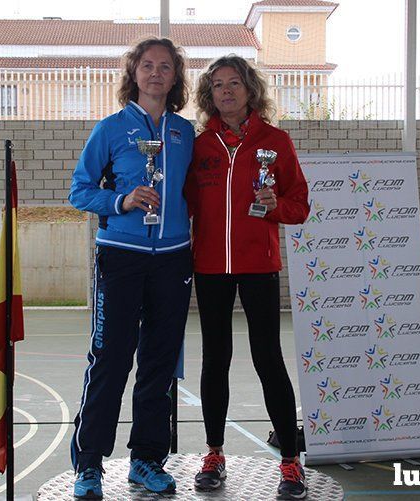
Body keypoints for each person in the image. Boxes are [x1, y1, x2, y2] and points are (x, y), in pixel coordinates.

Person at [68, 37, 195, 499]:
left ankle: (145, 460)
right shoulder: (110, 129)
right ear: (134, 73)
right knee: (111, 359)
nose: (156, 73)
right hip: (121, 258)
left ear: (176, 76)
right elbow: (79, 191)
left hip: (174, 260)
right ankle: (89, 464)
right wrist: (121, 200)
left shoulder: (186, 133)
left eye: (165, 66)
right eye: (147, 65)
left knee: (159, 365)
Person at [184, 55, 310, 499]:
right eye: (217, 85)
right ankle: (214, 453)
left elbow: (300, 206)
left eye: (234, 82)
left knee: (267, 359)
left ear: (249, 89)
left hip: (260, 266)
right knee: (214, 359)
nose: (226, 91)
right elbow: (185, 207)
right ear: (209, 95)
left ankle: (290, 462)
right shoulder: (199, 146)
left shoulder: (276, 142)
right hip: (211, 268)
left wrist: (273, 203)